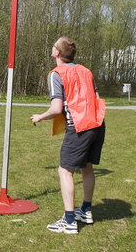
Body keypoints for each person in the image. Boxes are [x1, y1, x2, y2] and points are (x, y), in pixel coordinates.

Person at [30, 37, 106, 235]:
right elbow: (96, 99)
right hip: (98, 123)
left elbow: (56, 108)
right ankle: (86, 210)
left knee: (65, 171)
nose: (52, 47)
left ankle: (70, 220)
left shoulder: (56, 73)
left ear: (57, 53)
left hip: (80, 126)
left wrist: (40, 116)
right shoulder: (86, 71)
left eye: (53, 45)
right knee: (87, 168)